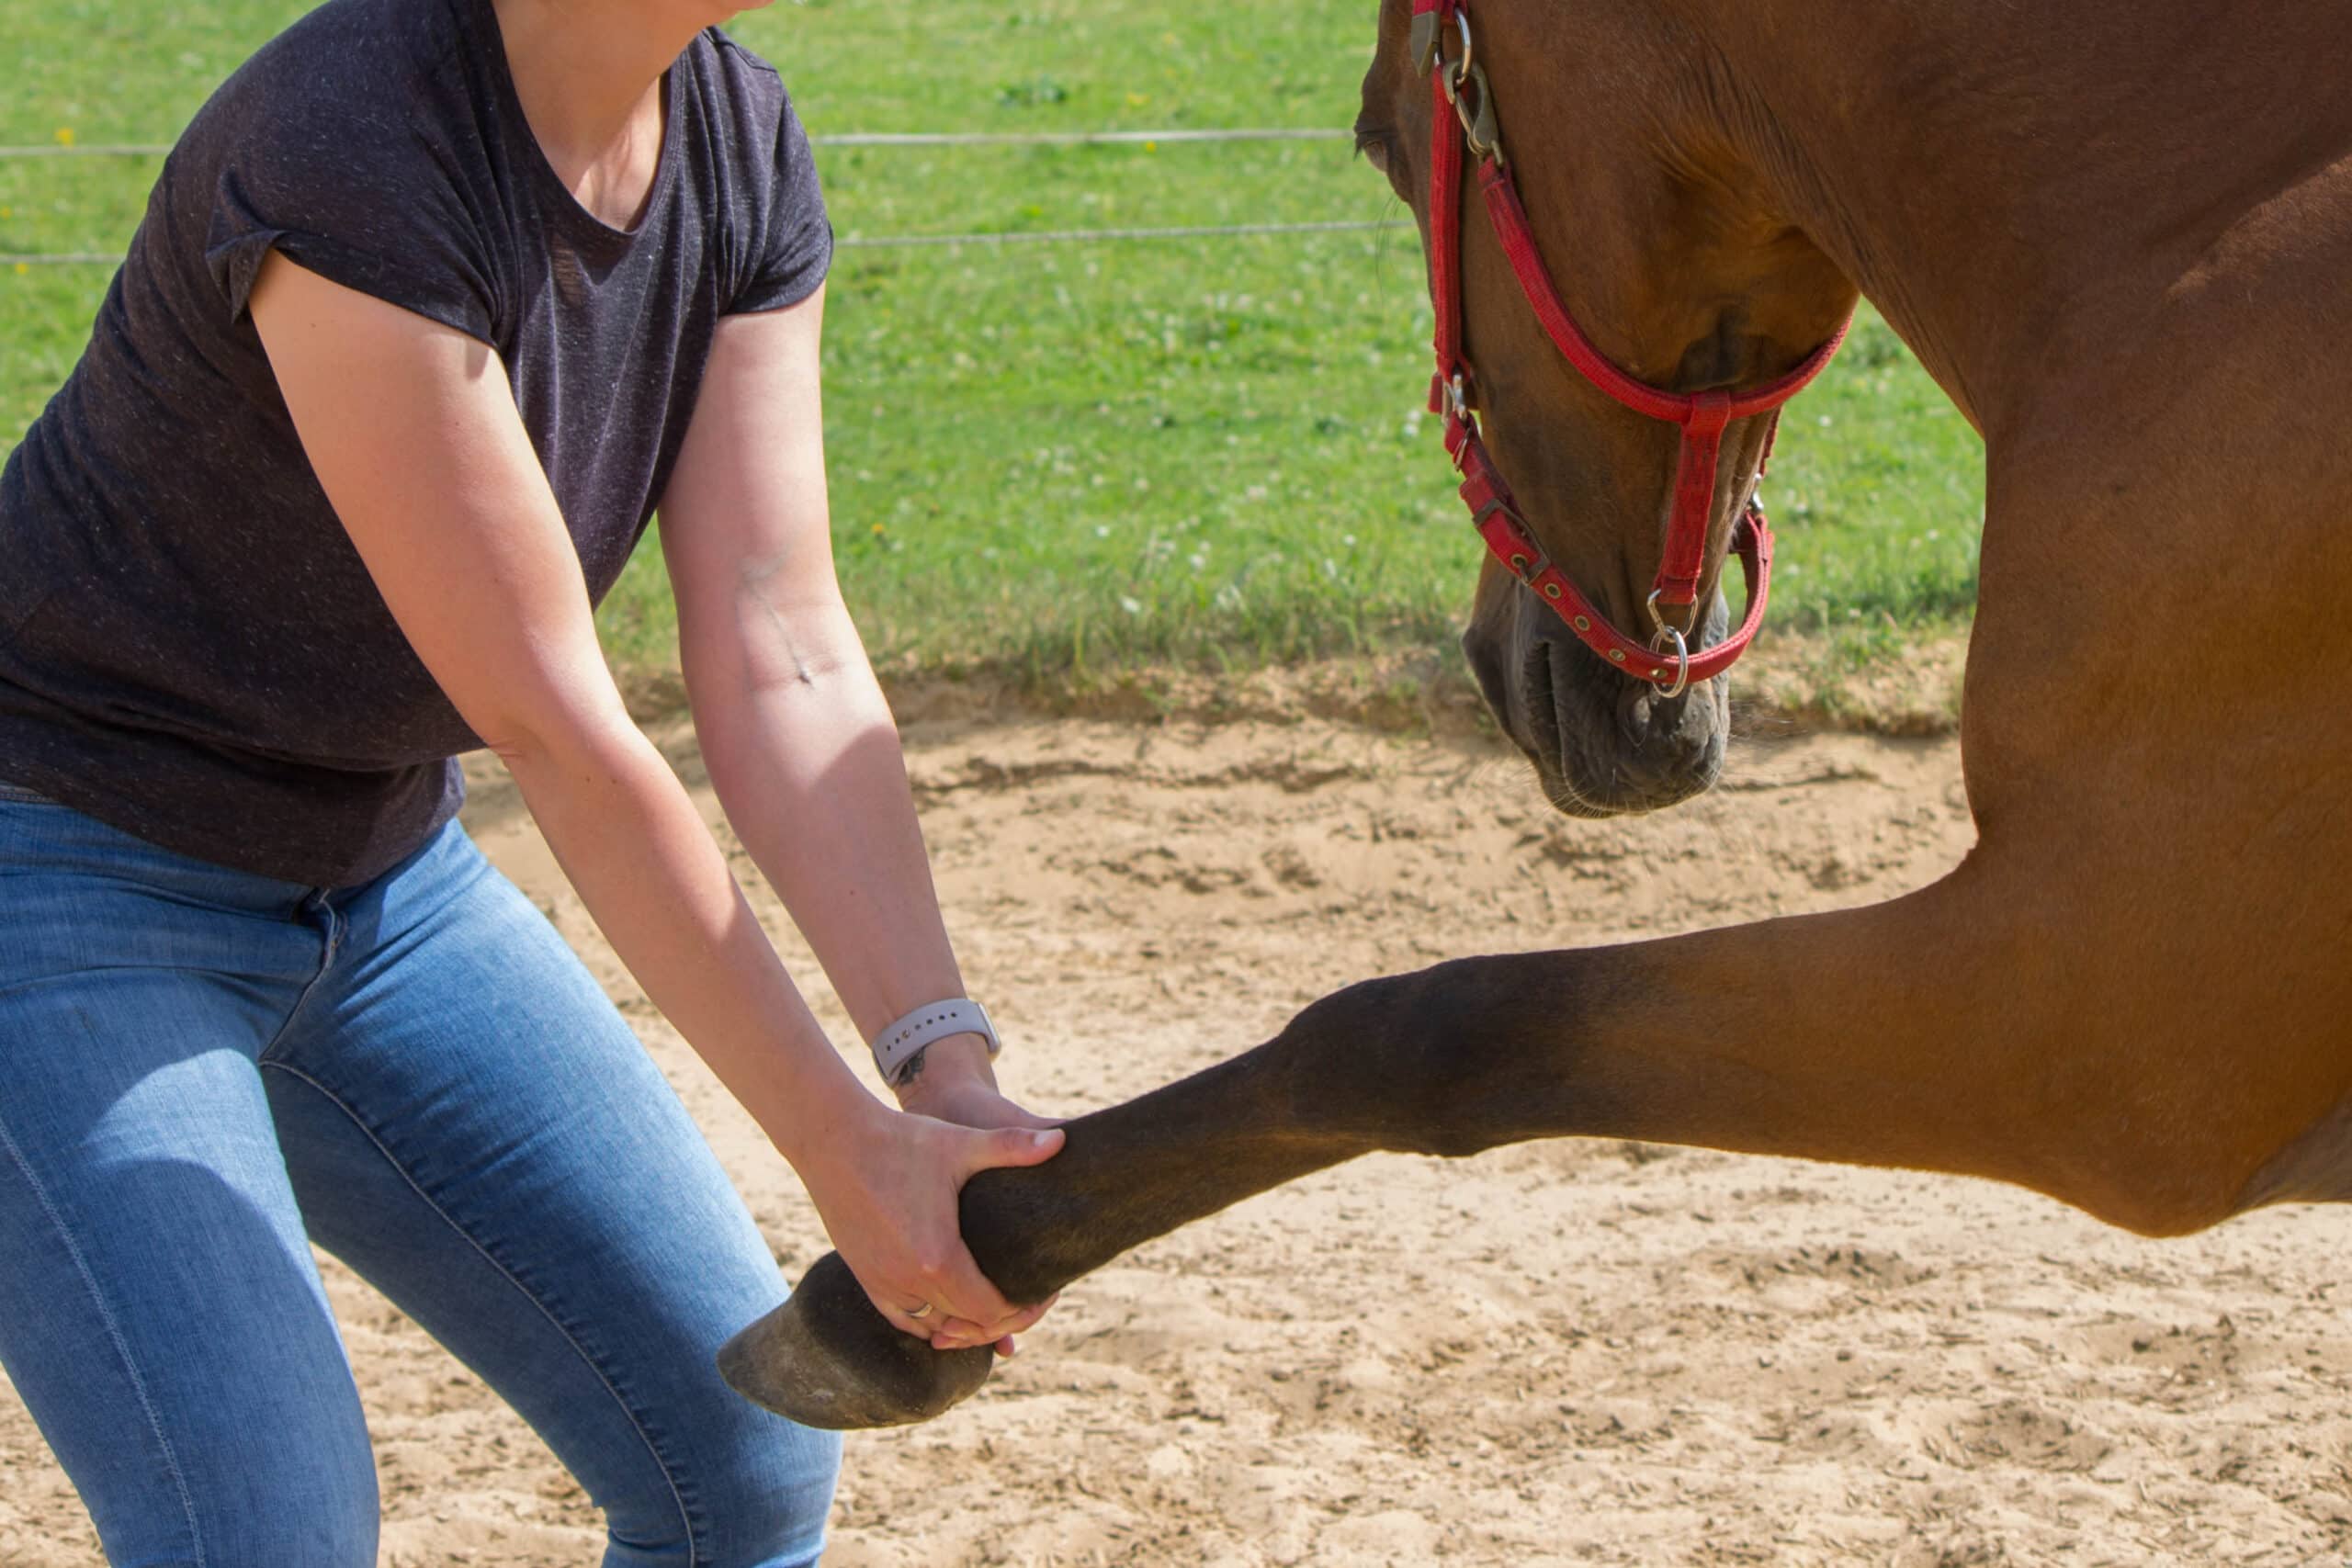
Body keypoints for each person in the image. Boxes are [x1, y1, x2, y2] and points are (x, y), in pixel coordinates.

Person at [0, 0, 1062, 1560]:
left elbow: (783, 642)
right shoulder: (356, 141)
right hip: (54, 872)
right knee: (262, 1535)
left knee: (743, 1462)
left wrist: (936, 1070)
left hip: (379, 878)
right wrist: (843, 1152)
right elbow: (560, 733)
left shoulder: (733, 135)